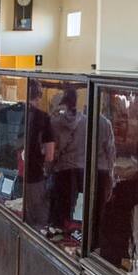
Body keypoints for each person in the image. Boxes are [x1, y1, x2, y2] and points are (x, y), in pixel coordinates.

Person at [48, 88, 86, 239]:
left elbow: (52, 149)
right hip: (80, 170)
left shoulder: (54, 122)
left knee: (60, 208)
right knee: (76, 209)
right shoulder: (85, 122)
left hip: (62, 170)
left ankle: (58, 237)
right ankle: (73, 237)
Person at [22, 80, 55, 228]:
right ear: (40, 96)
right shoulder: (44, 118)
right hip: (35, 175)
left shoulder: (12, 112)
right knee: (38, 219)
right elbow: (49, 155)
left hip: (15, 174)